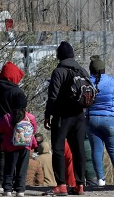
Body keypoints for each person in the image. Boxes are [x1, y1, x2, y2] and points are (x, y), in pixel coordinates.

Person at [44, 41, 88, 196]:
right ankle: (80, 185)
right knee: (79, 149)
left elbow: (53, 96)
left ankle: (61, 185)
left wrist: (47, 115)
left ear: (59, 55)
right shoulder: (82, 71)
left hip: (63, 116)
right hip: (80, 116)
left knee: (58, 149)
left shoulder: (59, 71)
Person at [86, 55, 114, 185]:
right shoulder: (111, 81)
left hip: (92, 119)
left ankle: (100, 179)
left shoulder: (88, 81)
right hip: (110, 119)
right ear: (103, 69)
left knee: (96, 150)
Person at [0, 62, 26, 192]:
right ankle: (9, 182)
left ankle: (1, 182)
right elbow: (21, 112)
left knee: (1, 152)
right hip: (11, 128)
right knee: (13, 153)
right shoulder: (16, 91)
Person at [0, 94, 38, 197]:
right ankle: (20, 190)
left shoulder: (7, 117)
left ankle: (8, 189)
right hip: (25, 147)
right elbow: (34, 130)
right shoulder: (30, 117)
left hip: (10, 147)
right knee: (22, 169)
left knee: (9, 168)